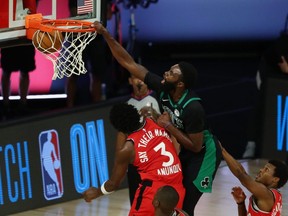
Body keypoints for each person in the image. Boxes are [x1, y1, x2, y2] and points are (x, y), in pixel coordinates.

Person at [92, 21, 222, 215]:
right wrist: (106, 34)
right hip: (184, 144)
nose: (165, 74)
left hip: (203, 153)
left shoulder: (194, 108)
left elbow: (195, 146)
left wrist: (168, 126)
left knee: (184, 206)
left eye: (171, 74)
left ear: (180, 84)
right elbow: (129, 62)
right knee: (169, 203)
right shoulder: (163, 87)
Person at [83, 103, 185, 216]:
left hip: (153, 193)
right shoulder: (154, 120)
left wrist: (97, 192)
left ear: (119, 129)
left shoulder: (128, 149)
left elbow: (113, 184)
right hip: (175, 191)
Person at [242, 34, 288, 159]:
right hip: (269, 72)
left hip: (284, 75)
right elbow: (285, 68)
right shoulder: (282, 44)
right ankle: (251, 144)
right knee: (261, 105)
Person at [220, 142, 288, 215]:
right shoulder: (275, 196)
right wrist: (241, 204)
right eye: (263, 168)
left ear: (275, 179)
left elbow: (241, 173)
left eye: (266, 170)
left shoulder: (265, 194)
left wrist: (221, 150)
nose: (261, 170)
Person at [126, 74, 161, 205]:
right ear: (130, 81)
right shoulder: (127, 105)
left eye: (142, 78)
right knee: (136, 200)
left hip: (156, 158)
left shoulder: (157, 99)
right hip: (137, 160)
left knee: (157, 200)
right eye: (135, 77)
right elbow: (124, 136)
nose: (139, 81)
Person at [0, 45, 36, 119]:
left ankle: (23, 105)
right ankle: (5, 106)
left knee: (25, 72)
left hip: (25, 42)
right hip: (10, 41)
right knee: (6, 71)